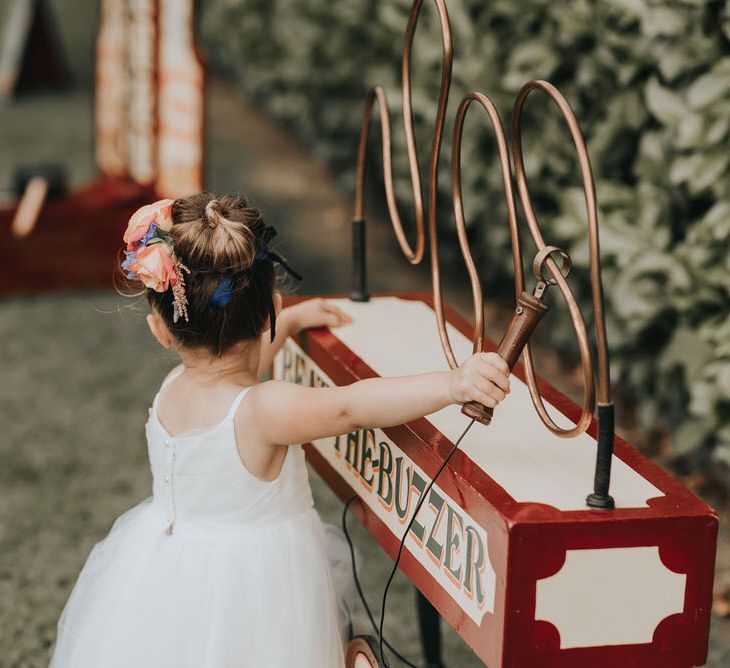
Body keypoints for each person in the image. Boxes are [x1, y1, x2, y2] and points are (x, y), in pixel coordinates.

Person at [49, 192, 511, 668]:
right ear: (266, 306)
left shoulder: (174, 388)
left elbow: (233, 370)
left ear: (161, 331)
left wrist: (288, 322)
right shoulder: (263, 410)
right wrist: (452, 383)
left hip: (171, 571)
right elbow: (351, 407)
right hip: (255, 588)